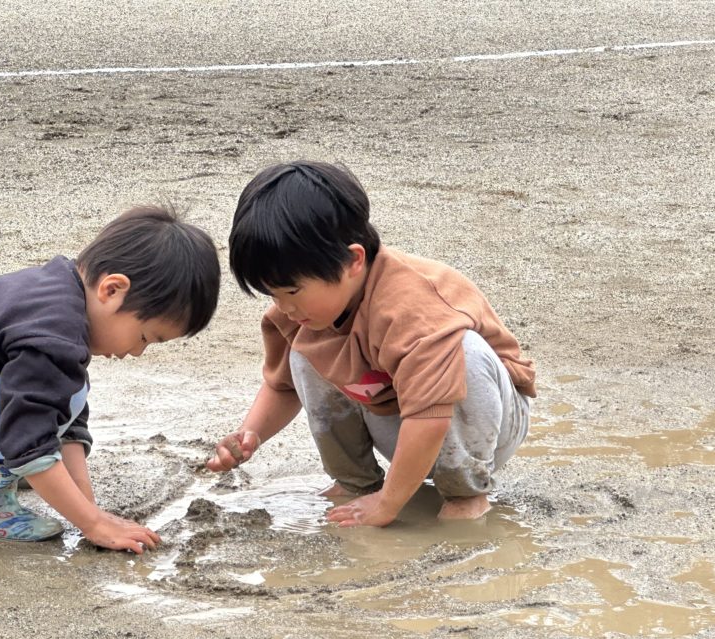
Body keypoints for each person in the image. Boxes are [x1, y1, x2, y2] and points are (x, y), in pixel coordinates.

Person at [0, 206, 220, 552]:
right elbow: (31, 436)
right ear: (112, 290)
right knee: (60, 400)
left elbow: (63, 421)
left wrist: (88, 504)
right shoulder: (55, 331)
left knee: (63, 393)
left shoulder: (56, 293)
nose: (137, 352)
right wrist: (94, 524)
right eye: (145, 337)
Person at [206, 161, 535, 527]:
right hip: (396, 418)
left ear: (353, 261)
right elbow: (282, 387)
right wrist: (250, 433)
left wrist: (389, 505)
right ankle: (355, 482)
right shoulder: (299, 312)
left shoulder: (413, 308)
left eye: (292, 291)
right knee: (305, 351)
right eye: (272, 294)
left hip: (482, 425)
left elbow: (429, 418)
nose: (284, 306)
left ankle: (465, 492)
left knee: (463, 351)